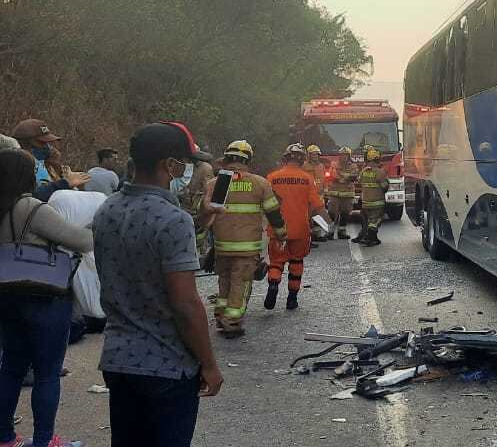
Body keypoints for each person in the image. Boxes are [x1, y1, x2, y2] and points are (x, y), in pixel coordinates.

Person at [93, 122, 222, 446]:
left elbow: (145, 245)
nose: (187, 170)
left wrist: (202, 219)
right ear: (170, 165)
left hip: (119, 360)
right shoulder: (171, 219)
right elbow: (184, 304)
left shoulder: (107, 209)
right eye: (185, 163)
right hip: (167, 365)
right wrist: (209, 364)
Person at [0, 148, 94, 447]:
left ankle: (4, 436)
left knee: (11, 366)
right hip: (44, 297)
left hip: (6, 295)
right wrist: (95, 223)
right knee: (47, 373)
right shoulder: (31, 208)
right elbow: (82, 241)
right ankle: (44, 441)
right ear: (26, 176)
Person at [205, 140, 286, 337]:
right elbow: (273, 212)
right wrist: (282, 233)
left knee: (224, 281)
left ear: (226, 158)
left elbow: (206, 215)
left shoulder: (215, 183)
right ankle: (232, 322)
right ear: (248, 160)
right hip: (246, 248)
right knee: (241, 284)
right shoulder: (260, 183)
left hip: (222, 246)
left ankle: (220, 316)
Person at [265, 144, 331, 310]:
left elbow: (264, 204)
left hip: (277, 229)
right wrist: (329, 223)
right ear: (302, 160)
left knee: (276, 263)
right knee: (296, 263)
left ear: (285, 158)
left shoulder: (271, 177)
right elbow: (317, 205)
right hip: (300, 230)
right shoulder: (306, 178)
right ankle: (292, 299)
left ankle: (273, 286)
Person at [11, 120, 89, 201]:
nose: (47, 147)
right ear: (24, 144)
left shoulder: (49, 165)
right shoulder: (13, 168)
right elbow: (29, 198)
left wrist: (64, 176)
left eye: (48, 143)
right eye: (41, 143)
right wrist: (65, 183)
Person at [352, 146, 389, 247]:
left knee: (367, 221)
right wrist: (387, 182)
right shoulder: (379, 172)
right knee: (376, 220)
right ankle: (370, 238)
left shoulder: (363, 171)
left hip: (365, 203)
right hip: (377, 202)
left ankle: (371, 238)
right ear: (377, 159)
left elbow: (359, 182)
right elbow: (384, 186)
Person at [325, 146, 358, 240]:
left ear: (349, 156)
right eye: (342, 155)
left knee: (346, 212)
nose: (344, 157)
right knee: (331, 212)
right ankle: (330, 231)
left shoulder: (353, 166)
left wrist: (342, 176)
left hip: (348, 193)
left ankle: (342, 231)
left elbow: (354, 176)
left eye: (345, 155)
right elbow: (332, 174)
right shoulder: (334, 164)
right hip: (335, 193)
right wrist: (344, 176)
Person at [302, 145, 329, 243]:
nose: (315, 156)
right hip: (307, 195)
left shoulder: (321, 166)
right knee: (307, 216)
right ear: (308, 155)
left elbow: (324, 179)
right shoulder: (304, 166)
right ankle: (309, 237)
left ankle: (317, 235)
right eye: (313, 154)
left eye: (316, 154)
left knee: (317, 215)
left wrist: (325, 189)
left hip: (319, 195)